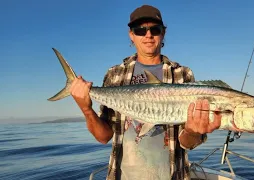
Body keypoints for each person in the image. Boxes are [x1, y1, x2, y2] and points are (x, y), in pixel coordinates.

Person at [69, 4, 222, 180]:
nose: (148, 35)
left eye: (154, 29)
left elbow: (187, 142)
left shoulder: (182, 74)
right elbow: (104, 137)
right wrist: (86, 109)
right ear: (131, 35)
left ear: (163, 33)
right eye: (140, 30)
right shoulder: (114, 74)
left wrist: (194, 132)